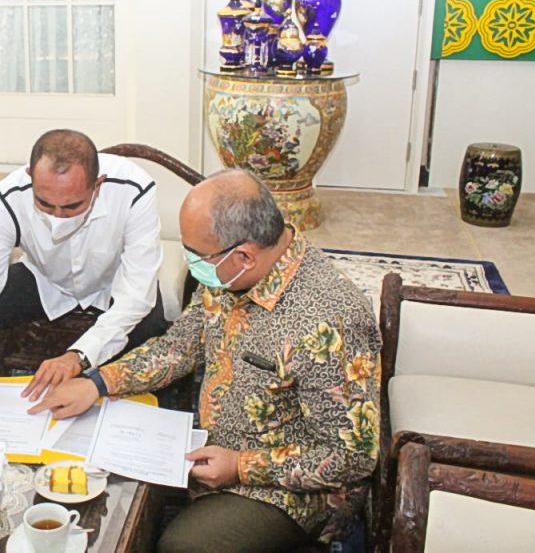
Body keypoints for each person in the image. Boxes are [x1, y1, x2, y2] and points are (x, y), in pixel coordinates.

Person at [30, 169, 382, 552]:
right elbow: (181, 345)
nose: (190, 264)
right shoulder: (227, 275)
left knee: (184, 546)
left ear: (244, 255)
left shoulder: (331, 322)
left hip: (288, 491)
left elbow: (352, 457)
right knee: (89, 471)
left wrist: (240, 465)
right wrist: (97, 383)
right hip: (205, 447)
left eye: (196, 255)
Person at [0, 129, 169, 401]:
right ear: (30, 178)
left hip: (114, 280)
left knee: (154, 334)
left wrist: (78, 357)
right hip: (46, 279)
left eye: (72, 206)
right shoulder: (9, 194)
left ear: (98, 185)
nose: (58, 218)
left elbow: (135, 296)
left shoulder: (134, 190)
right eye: (45, 204)